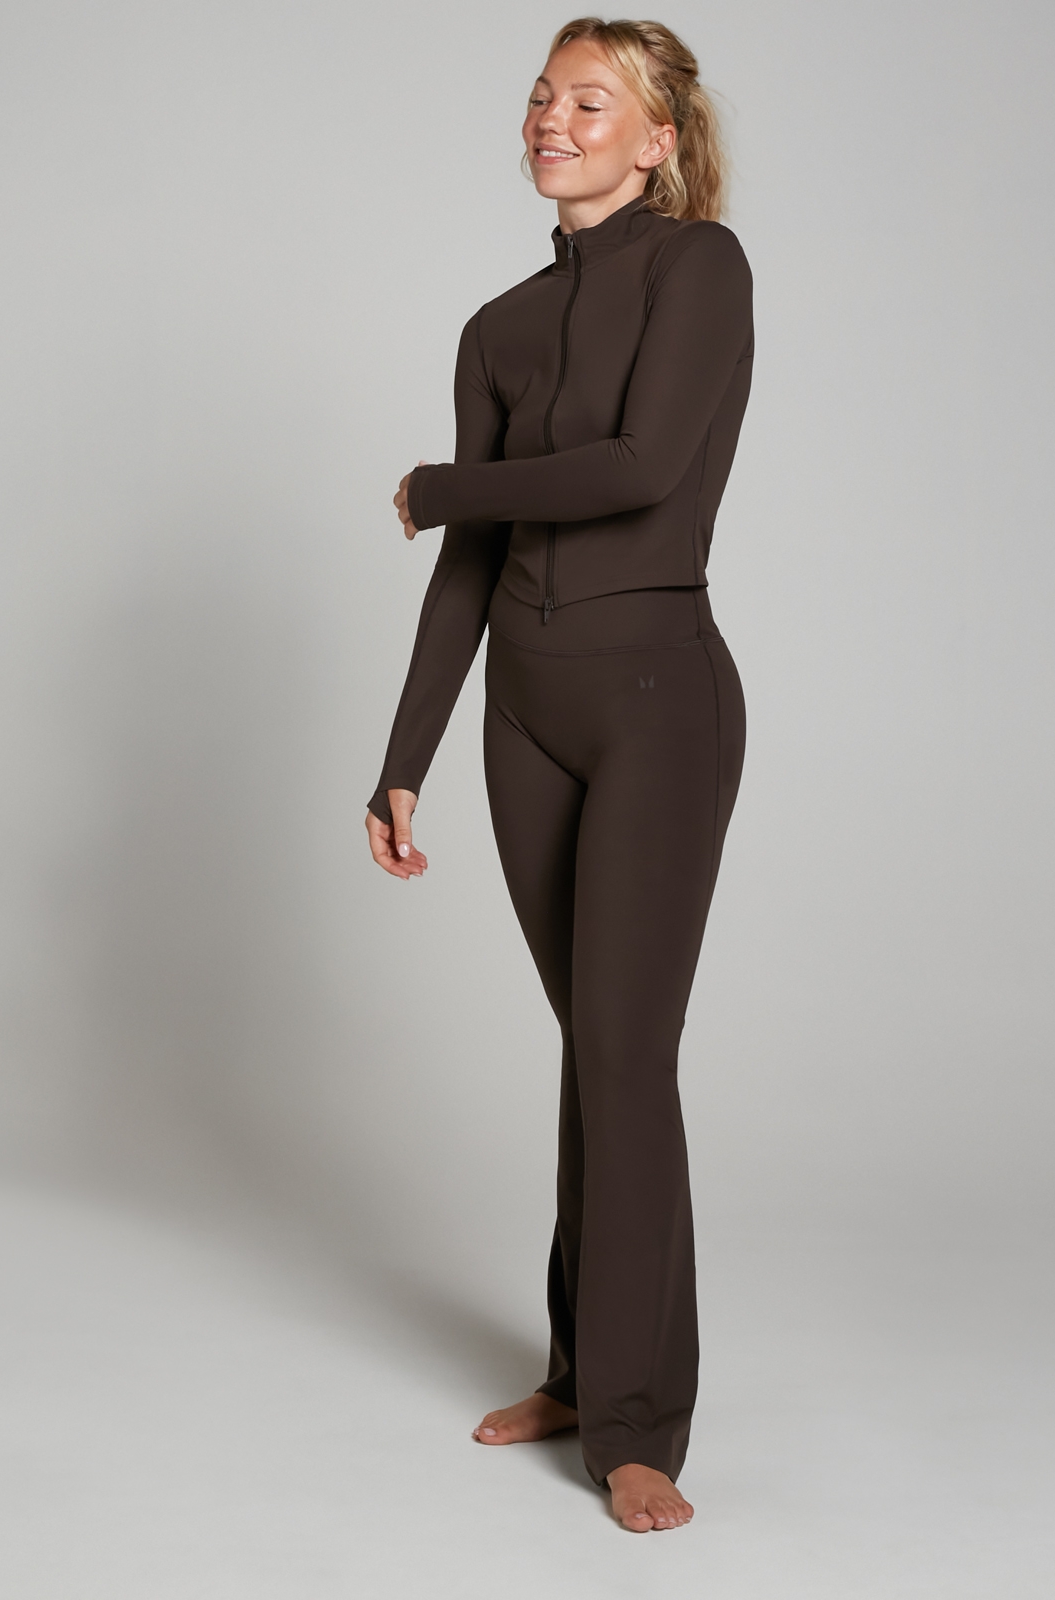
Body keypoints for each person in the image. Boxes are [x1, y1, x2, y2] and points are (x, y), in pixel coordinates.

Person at [364, 16, 752, 1534]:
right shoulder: (498, 328)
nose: (553, 119)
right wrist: (404, 760)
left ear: (657, 139)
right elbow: (471, 559)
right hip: (523, 720)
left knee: (626, 1056)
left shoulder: (699, 269)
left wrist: (440, 482)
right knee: (594, 1049)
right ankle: (587, 1370)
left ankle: (640, 1426)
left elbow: (640, 467)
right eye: (542, 96)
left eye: (591, 102)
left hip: (658, 706)